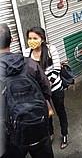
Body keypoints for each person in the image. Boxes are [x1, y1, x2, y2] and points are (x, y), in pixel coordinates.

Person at [0, 23, 54, 158]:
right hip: (38, 125)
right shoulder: (30, 63)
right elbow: (47, 91)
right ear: (12, 39)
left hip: (9, 135)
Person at [24, 27, 69, 150]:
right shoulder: (27, 53)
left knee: (60, 111)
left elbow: (56, 69)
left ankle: (64, 134)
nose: (32, 40)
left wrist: (49, 83)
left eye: (35, 38)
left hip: (55, 88)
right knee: (46, 114)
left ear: (42, 39)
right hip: (40, 92)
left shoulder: (50, 49)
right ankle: (50, 133)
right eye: (30, 38)